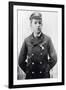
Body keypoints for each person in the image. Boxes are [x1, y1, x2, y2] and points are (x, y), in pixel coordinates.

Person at [18, 12, 57, 79]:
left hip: (44, 76)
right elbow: (20, 61)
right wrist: (28, 71)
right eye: (35, 23)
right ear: (31, 25)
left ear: (42, 24)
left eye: (40, 23)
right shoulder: (27, 40)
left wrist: (46, 69)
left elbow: (54, 58)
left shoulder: (47, 39)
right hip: (31, 76)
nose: (38, 25)